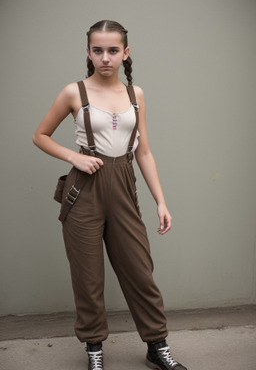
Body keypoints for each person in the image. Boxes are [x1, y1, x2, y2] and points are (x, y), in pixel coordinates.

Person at [33, 20, 187, 370]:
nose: (105, 57)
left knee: (140, 271)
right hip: (83, 191)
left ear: (125, 53)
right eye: (98, 50)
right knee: (88, 278)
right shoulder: (74, 92)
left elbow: (144, 151)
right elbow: (40, 135)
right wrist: (75, 156)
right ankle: (94, 352)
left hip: (123, 183)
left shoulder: (136, 95)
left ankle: (156, 346)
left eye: (113, 50)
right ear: (88, 53)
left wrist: (161, 201)